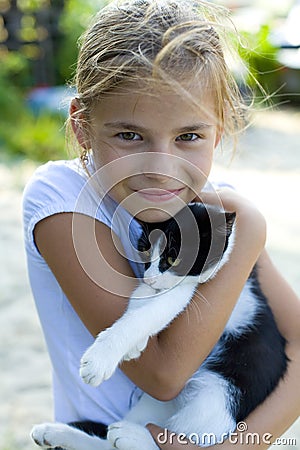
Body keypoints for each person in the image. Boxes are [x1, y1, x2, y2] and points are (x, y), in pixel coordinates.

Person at [23, 0, 300, 448]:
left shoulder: (213, 210)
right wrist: (249, 228)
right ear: (82, 126)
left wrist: (236, 446)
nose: (161, 168)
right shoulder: (63, 196)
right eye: (130, 135)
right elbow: (163, 375)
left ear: (221, 127)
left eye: (189, 136)